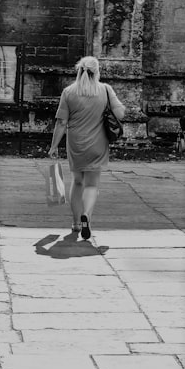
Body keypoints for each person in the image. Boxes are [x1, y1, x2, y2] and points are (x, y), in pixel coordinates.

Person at [47, 56, 126, 240]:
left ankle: (75, 223)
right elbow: (120, 112)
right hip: (98, 145)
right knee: (92, 184)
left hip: (76, 144)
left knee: (77, 182)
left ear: (79, 71)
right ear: (97, 72)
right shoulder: (105, 90)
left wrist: (53, 147)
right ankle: (87, 217)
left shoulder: (68, 92)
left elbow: (61, 123)